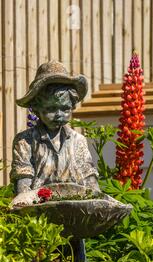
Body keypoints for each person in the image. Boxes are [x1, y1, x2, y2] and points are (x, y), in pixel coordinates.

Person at [11, 60, 99, 194]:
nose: (59, 115)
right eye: (51, 109)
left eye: (65, 109)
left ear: (72, 107)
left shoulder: (78, 141)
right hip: (39, 207)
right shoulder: (25, 141)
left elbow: (90, 179)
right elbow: (23, 183)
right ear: (36, 109)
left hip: (77, 206)